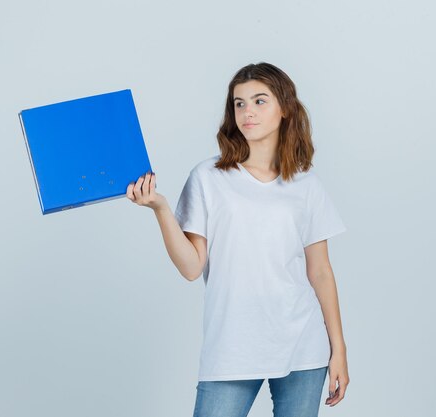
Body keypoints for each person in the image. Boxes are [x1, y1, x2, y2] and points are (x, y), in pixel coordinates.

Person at [126, 62, 349, 417]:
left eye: (260, 101)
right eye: (239, 103)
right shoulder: (208, 178)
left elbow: (320, 271)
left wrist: (338, 349)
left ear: (285, 108)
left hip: (303, 346)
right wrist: (160, 209)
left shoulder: (305, 184)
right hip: (232, 346)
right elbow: (191, 267)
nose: (247, 112)